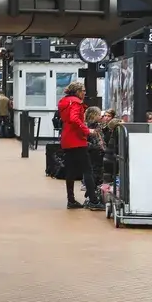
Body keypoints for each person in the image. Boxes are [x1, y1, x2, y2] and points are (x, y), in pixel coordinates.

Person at [58, 81, 104, 210]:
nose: (84, 93)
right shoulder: (76, 103)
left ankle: (71, 200)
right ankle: (94, 201)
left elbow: (68, 119)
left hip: (67, 139)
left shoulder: (64, 102)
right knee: (87, 170)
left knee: (70, 171)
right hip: (77, 140)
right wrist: (87, 130)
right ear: (77, 91)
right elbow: (74, 118)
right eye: (83, 90)